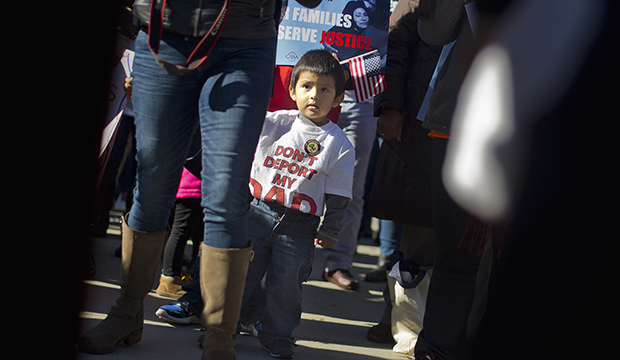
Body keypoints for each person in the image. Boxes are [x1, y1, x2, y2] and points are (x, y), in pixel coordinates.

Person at [77, 1, 324, 358]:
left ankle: (219, 338)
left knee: (225, 194)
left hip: (244, 43)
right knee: (152, 186)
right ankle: (126, 313)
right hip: (163, 35)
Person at [240, 49, 354, 358]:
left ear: (338, 98)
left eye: (325, 89)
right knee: (244, 273)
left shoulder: (339, 143)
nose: (314, 95)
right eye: (306, 86)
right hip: (257, 212)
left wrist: (331, 230)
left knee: (287, 284)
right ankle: (229, 325)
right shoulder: (273, 123)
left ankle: (278, 334)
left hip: (300, 225)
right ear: (292, 90)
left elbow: (340, 194)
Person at [156, 166, 203, 299]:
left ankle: (188, 275)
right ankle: (169, 280)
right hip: (193, 188)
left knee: (195, 235)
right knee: (180, 232)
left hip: (191, 187)